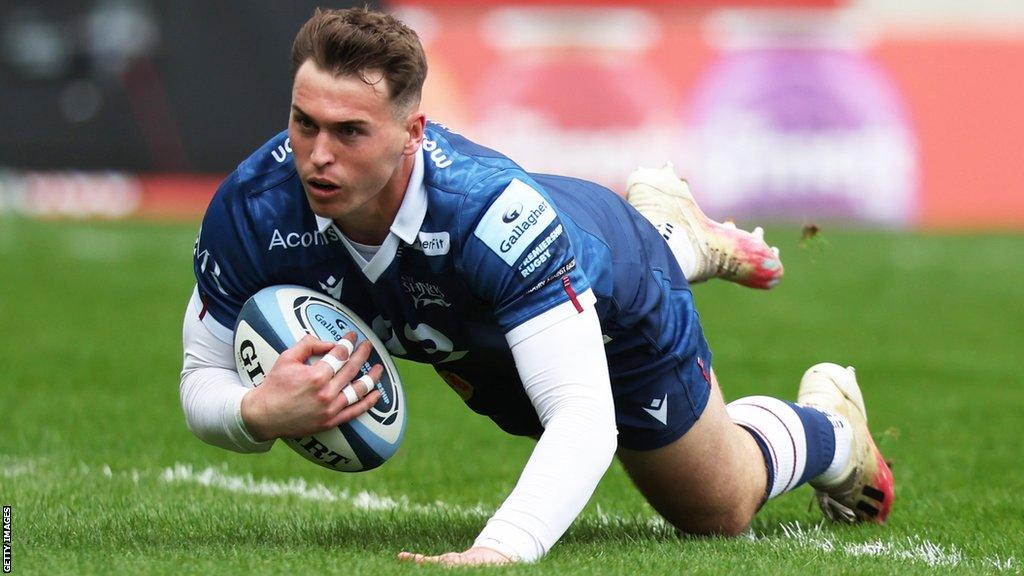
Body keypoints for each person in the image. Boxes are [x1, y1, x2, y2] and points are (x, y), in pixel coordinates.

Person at [179, 7, 894, 566]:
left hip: (613, 302)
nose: (318, 155)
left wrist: (501, 548)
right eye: (304, 124)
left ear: (413, 133)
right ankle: (672, 233)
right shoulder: (253, 206)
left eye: (350, 132)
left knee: (717, 509)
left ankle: (830, 430)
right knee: (510, 359)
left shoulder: (492, 214)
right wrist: (255, 412)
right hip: (478, 331)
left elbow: (584, 417)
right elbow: (198, 375)